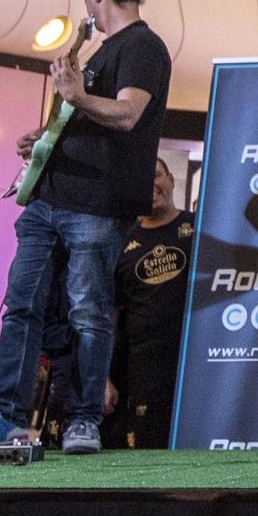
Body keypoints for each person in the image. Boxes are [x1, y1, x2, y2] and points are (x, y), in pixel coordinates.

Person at [0, 0, 171, 456]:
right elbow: (86, 121)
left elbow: (130, 113)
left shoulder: (143, 47)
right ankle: (4, 418)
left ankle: (84, 420)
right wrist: (44, 139)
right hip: (49, 201)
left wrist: (77, 95)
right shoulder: (103, 49)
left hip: (96, 205)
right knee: (21, 307)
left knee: (89, 312)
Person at [106, 158, 194, 449]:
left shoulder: (198, 228)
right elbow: (111, 316)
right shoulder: (120, 242)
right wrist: (104, 376)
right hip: (142, 369)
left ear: (170, 180)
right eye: (142, 178)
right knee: (147, 451)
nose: (151, 184)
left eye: (156, 175)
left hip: (193, 363)